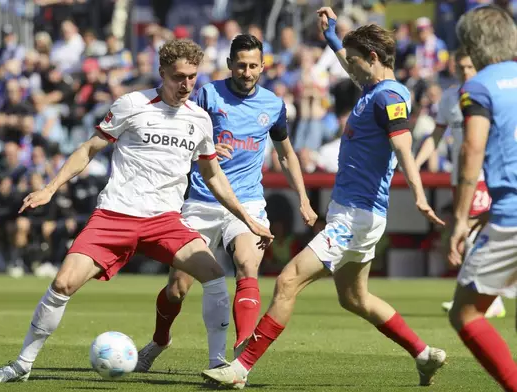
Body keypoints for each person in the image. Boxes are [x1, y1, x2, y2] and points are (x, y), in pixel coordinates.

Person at [0, 39, 273, 384]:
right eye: (178, 76)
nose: (186, 85)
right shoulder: (133, 104)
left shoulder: (199, 120)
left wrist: (247, 219)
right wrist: (49, 187)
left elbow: (213, 176)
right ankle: (21, 366)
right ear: (162, 72)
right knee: (62, 283)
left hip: (165, 221)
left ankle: (220, 365)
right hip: (115, 215)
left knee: (212, 275)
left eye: (192, 77)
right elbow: (88, 149)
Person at [202, 8, 447, 389]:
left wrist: (418, 193)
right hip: (355, 215)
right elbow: (354, 68)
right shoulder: (373, 90)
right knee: (355, 298)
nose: (346, 68)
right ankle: (424, 353)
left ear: (373, 59)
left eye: (352, 60)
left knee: (287, 281)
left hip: (356, 216)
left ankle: (240, 368)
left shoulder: (390, 96)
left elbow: (403, 145)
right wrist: (332, 37)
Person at [134, 34, 317, 372]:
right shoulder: (206, 94)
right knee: (177, 288)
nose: (247, 72)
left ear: (263, 66)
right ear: (230, 64)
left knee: (248, 264)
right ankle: (160, 340)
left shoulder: (273, 105)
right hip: (202, 201)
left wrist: (304, 200)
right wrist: (203, 150)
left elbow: (286, 154)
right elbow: (178, 134)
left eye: (253, 66)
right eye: (241, 65)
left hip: (247, 204)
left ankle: (241, 354)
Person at [447, 6, 517, 391]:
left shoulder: (478, 85)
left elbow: (472, 149)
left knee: (466, 313)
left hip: (511, 214)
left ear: (472, 44)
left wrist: (461, 218)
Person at [414, 48, 506, 319]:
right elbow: (437, 135)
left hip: (483, 175)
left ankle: (487, 297)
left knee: (474, 230)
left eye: (469, 67)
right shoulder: (450, 99)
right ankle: (487, 295)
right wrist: (417, 164)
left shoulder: (489, 94)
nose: (465, 72)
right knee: (467, 231)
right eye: (461, 68)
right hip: (459, 177)